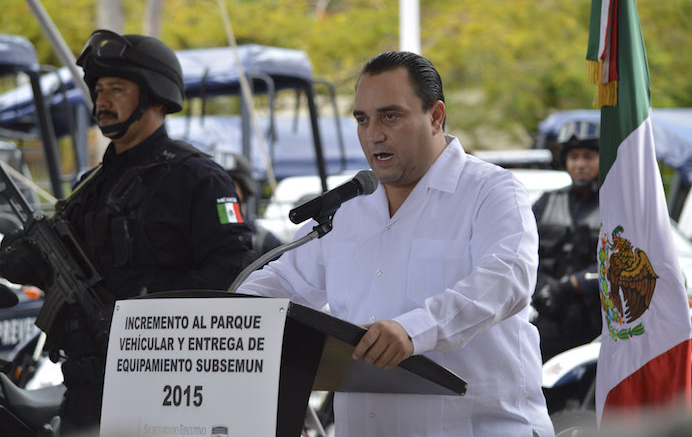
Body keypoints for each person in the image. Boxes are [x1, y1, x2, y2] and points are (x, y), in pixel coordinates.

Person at [237, 51, 554, 437]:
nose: (374, 134)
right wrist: (226, 320)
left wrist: (413, 330)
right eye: (362, 119)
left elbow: (507, 279)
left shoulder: (489, 190)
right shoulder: (347, 208)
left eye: (390, 116)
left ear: (435, 117)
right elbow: (283, 283)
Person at [0, 29, 254, 437]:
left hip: (162, 387)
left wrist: (143, 317)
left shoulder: (197, 177)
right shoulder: (91, 186)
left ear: (155, 96)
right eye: (99, 90)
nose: (102, 100)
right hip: (85, 388)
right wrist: (27, 260)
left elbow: (233, 268)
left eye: (117, 88)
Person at [531, 121, 601, 361]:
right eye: (574, 157)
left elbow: (625, 261)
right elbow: (520, 252)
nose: (580, 164)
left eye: (588, 157)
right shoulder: (546, 202)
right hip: (550, 321)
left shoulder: (616, 205)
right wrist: (542, 287)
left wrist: (573, 284)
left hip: (598, 327)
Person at [222, 152, 283, 257]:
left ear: (245, 191)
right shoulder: (196, 239)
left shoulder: (264, 242)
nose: (219, 193)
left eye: (228, 185)